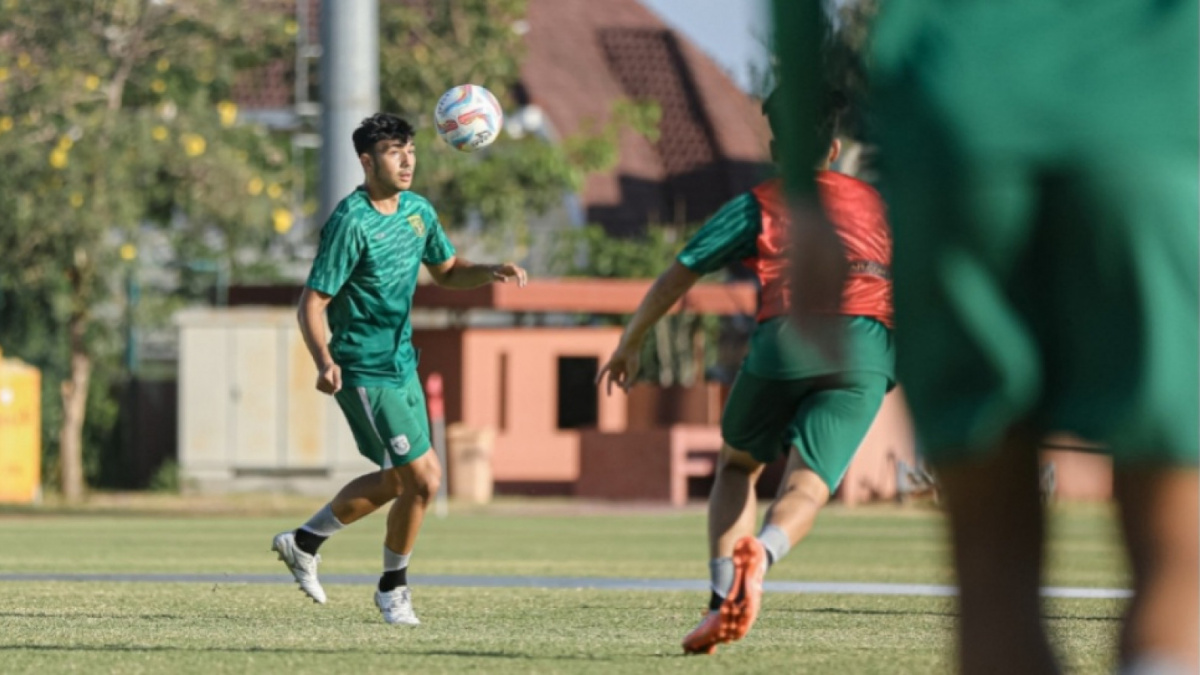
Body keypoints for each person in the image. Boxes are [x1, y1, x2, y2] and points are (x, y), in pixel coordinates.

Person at [774, 1, 1199, 673]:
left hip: (956, 121)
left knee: (992, 565)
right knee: (1177, 554)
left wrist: (803, 184)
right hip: (1153, 122)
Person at [597, 93, 894, 655]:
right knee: (809, 483)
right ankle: (766, 552)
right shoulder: (878, 204)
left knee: (737, 466)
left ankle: (719, 600)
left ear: (777, 151)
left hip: (789, 339)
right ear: (834, 149)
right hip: (868, 349)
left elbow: (678, 276)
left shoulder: (762, 202)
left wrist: (630, 342)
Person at [272, 113, 528, 625]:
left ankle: (303, 542)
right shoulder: (351, 221)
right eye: (394, 150)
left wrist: (489, 271)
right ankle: (392, 589)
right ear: (367, 161)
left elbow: (448, 272)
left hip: (403, 363)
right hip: (363, 370)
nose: (407, 158)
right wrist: (324, 362)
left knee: (399, 482)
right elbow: (312, 303)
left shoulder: (418, 212)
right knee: (426, 481)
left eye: (410, 148)